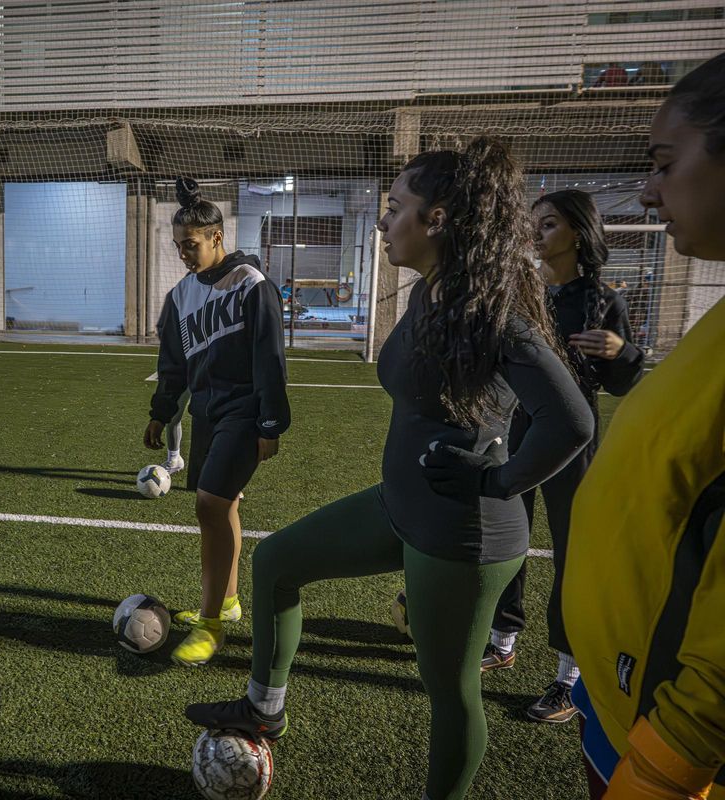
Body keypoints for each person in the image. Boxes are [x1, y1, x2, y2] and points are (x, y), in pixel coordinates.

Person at [184, 138, 593, 800]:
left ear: (436, 220)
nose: (381, 220)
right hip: (402, 505)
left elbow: (572, 420)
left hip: (460, 535)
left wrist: (499, 480)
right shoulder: (428, 293)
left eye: (395, 206)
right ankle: (265, 708)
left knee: (450, 690)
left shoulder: (491, 310)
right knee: (277, 562)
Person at [564, 51, 725, 800]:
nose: (649, 188)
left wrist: (667, 765)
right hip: (621, 700)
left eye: (664, 163)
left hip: (662, 748)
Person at [476, 190, 645, 724]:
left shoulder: (602, 300)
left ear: (578, 232)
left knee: (574, 552)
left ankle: (569, 678)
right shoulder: (520, 294)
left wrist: (625, 354)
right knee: (508, 536)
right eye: (534, 224)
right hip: (517, 429)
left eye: (547, 224)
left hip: (574, 440)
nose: (536, 234)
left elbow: (622, 383)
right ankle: (503, 639)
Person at [145, 176, 289, 667]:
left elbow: (270, 357)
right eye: (178, 246)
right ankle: (226, 602)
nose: (184, 254)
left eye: (192, 245)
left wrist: (271, 424)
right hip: (207, 412)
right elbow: (173, 364)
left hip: (244, 411)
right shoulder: (182, 294)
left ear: (217, 238)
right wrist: (161, 413)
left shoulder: (250, 283)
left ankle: (210, 628)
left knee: (210, 504)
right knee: (219, 506)